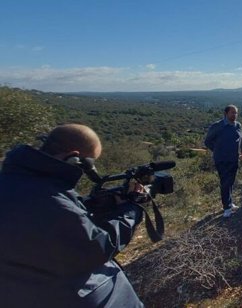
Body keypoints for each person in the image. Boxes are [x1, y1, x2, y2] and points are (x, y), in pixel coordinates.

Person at [0, 124, 145, 307]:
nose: (87, 171)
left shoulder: (16, 181)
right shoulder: (50, 199)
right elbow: (99, 247)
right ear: (73, 157)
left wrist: (90, 205)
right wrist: (132, 209)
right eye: (88, 164)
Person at [204, 104, 242, 218]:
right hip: (222, 160)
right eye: (232, 112)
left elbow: (238, 140)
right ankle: (226, 208)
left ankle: (230, 202)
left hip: (234, 159)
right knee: (225, 183)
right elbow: (208, 141)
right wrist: (218, 151)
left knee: (230, 182)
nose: (235, 115)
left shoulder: (238, 125)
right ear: (226, 113)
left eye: (236, 113)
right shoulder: (217, 126)